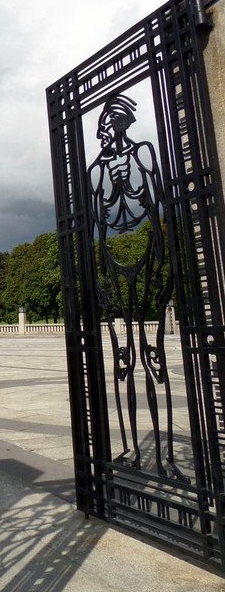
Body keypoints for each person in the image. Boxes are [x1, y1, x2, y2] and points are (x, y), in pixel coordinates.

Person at [88, 94, 186, 481]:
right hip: (112, 257)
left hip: (147, 251)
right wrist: (112, 189)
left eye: (113, 126)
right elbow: (96, 219)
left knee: (152, 356)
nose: (108, 134)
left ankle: (164, 457)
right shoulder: (96, 170)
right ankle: (129, 448)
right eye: (106, 128)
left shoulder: (144, 152)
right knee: (122, 361)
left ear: (124, 124)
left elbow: (158, 201)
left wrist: (134, 184)